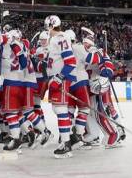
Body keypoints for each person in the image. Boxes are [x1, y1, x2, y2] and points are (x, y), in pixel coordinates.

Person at [44, 15, 77, 159]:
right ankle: (70, 137)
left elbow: (71, 62)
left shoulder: (61, 38)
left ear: (50, 25)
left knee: (61, 110)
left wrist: (59, 78)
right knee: (57, 109)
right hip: (56, 78)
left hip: (60, 78)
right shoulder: (55, 39)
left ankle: (66, 143)